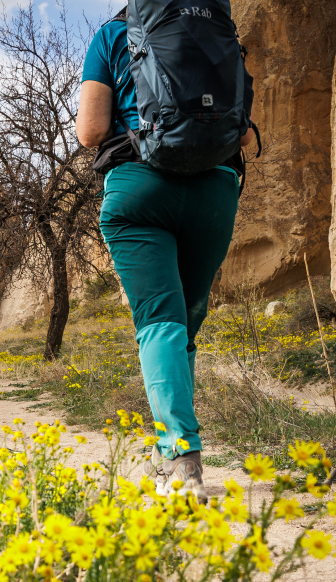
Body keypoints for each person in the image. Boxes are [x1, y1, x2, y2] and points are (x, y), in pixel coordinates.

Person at [77, 6, 256, 502]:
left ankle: (182, 462)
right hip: (216, 191)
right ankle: (166, 449)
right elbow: (241, 132)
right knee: (183, 326)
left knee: (160, 321)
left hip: (141, 190)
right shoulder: (221, 35)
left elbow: (90, 132)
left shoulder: (112, 34)